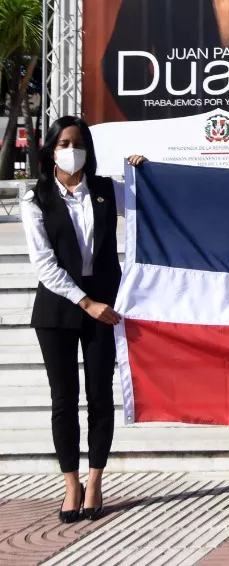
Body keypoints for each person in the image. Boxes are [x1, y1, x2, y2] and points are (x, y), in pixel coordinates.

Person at [21, 117, 145, 522]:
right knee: (63, 400)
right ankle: (70, 483)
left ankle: (95, 481)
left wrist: (144, 171)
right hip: (59, 309)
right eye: (63, 142)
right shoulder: (34, 198)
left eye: (77, 143)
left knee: (99, 396)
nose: (70, 149)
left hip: (104, 307)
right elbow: (44, 264)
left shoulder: (108, 190)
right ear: (50, 150)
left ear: (88, 150)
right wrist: (84, 301)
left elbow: (152, 199)